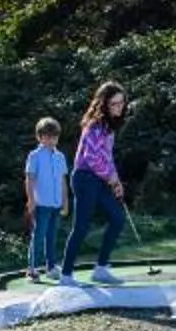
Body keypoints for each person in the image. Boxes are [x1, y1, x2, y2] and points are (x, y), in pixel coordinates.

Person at [55, 81, 132, 284]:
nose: (119, 107)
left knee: (117, 218)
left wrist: (116, 181)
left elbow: (107, 157)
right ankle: (66, 275)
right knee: (81, 226)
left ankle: (101, 269)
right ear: (104, 104)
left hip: (99, 179)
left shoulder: (109, 127)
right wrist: (110, 177)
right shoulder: (95, 125)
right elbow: (92, 158)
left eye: (121, 103)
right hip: (85, 178)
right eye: (114, 104)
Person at [23, 116, 69, 282]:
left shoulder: (60, 156)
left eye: (54, 136)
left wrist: (65, 201)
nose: (51, 140)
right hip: (41, 204)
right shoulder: (34, 156)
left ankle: (51, 267)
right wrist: (31, 200)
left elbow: (63, 181)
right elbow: (29, 179)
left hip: (56, 204)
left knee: (52, 237)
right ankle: (32, 269)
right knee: (39, 236)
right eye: (47, 136)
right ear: (40, 137)